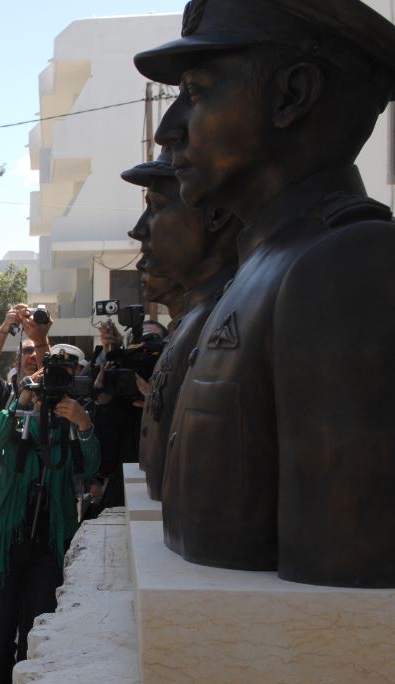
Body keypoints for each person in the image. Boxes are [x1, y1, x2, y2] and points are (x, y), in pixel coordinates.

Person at [136, 0, 395, 586]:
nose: (169, 128)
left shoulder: (345, 263)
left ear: (291, 96)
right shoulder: (265, 266)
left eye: (197, 93)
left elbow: (343, 581)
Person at [0, 360, 100, 684]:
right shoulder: (16, 412)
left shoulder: (71, 420)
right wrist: (19, 402)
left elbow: (89, 466)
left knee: (37, 629)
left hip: (47, 539)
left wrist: (83, 423)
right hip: (2, 535)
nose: (51, 395)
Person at [121, 148, 240, 501]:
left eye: (156, 207)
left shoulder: (227, 316)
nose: (140, 230)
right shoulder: (193, 323)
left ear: (215, 214)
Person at [0, 304, 52, 422]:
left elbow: (50, 377)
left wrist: (40, 339)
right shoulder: (4, 395)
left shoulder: (54, 397)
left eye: (37, 351)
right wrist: (4, 328)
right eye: (28, 350)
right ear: (16, 363)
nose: (34, 355)